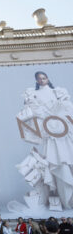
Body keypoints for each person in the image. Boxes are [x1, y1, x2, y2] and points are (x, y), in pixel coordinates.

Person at [14, 71, 73, 212]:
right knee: (57, 162)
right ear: (36, 81)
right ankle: (65, 199)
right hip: (50, 131)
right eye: (39, 78)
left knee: (68, 160)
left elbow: (68, 108)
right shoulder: (33, 95)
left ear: (48, 78)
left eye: (44, 77)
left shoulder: (58, 92)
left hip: (64, 130)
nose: (41, 80)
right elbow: (32, 112)